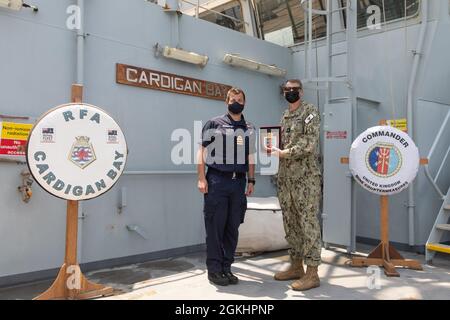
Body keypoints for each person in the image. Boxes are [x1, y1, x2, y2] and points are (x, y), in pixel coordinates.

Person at [197, 87, 256, 286]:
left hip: (238, 183)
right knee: (215, 227)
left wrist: (251, 179)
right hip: (217, 181)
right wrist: (201, 178)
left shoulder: (249, 127)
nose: (236, 102)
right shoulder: (214, 123)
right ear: (226, 102)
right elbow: (201, 152)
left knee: (232, 227)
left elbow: (250, 156)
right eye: (233, 99)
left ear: (244, 103)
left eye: (240, 99)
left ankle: (226, 267)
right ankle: (214, 270)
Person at [267, 79, 322, 291]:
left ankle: (312, 273)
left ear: (301, 91)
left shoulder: (310, 112)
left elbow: (308, 144)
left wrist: (283, 153)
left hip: (306, 179)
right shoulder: (285, 115)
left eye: (294, 90)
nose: (290, 92)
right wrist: (272, 148)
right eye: (287, 90)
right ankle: (296, 265)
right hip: (286, 178)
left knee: (308, 223)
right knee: (291, 223)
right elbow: (283, 143)